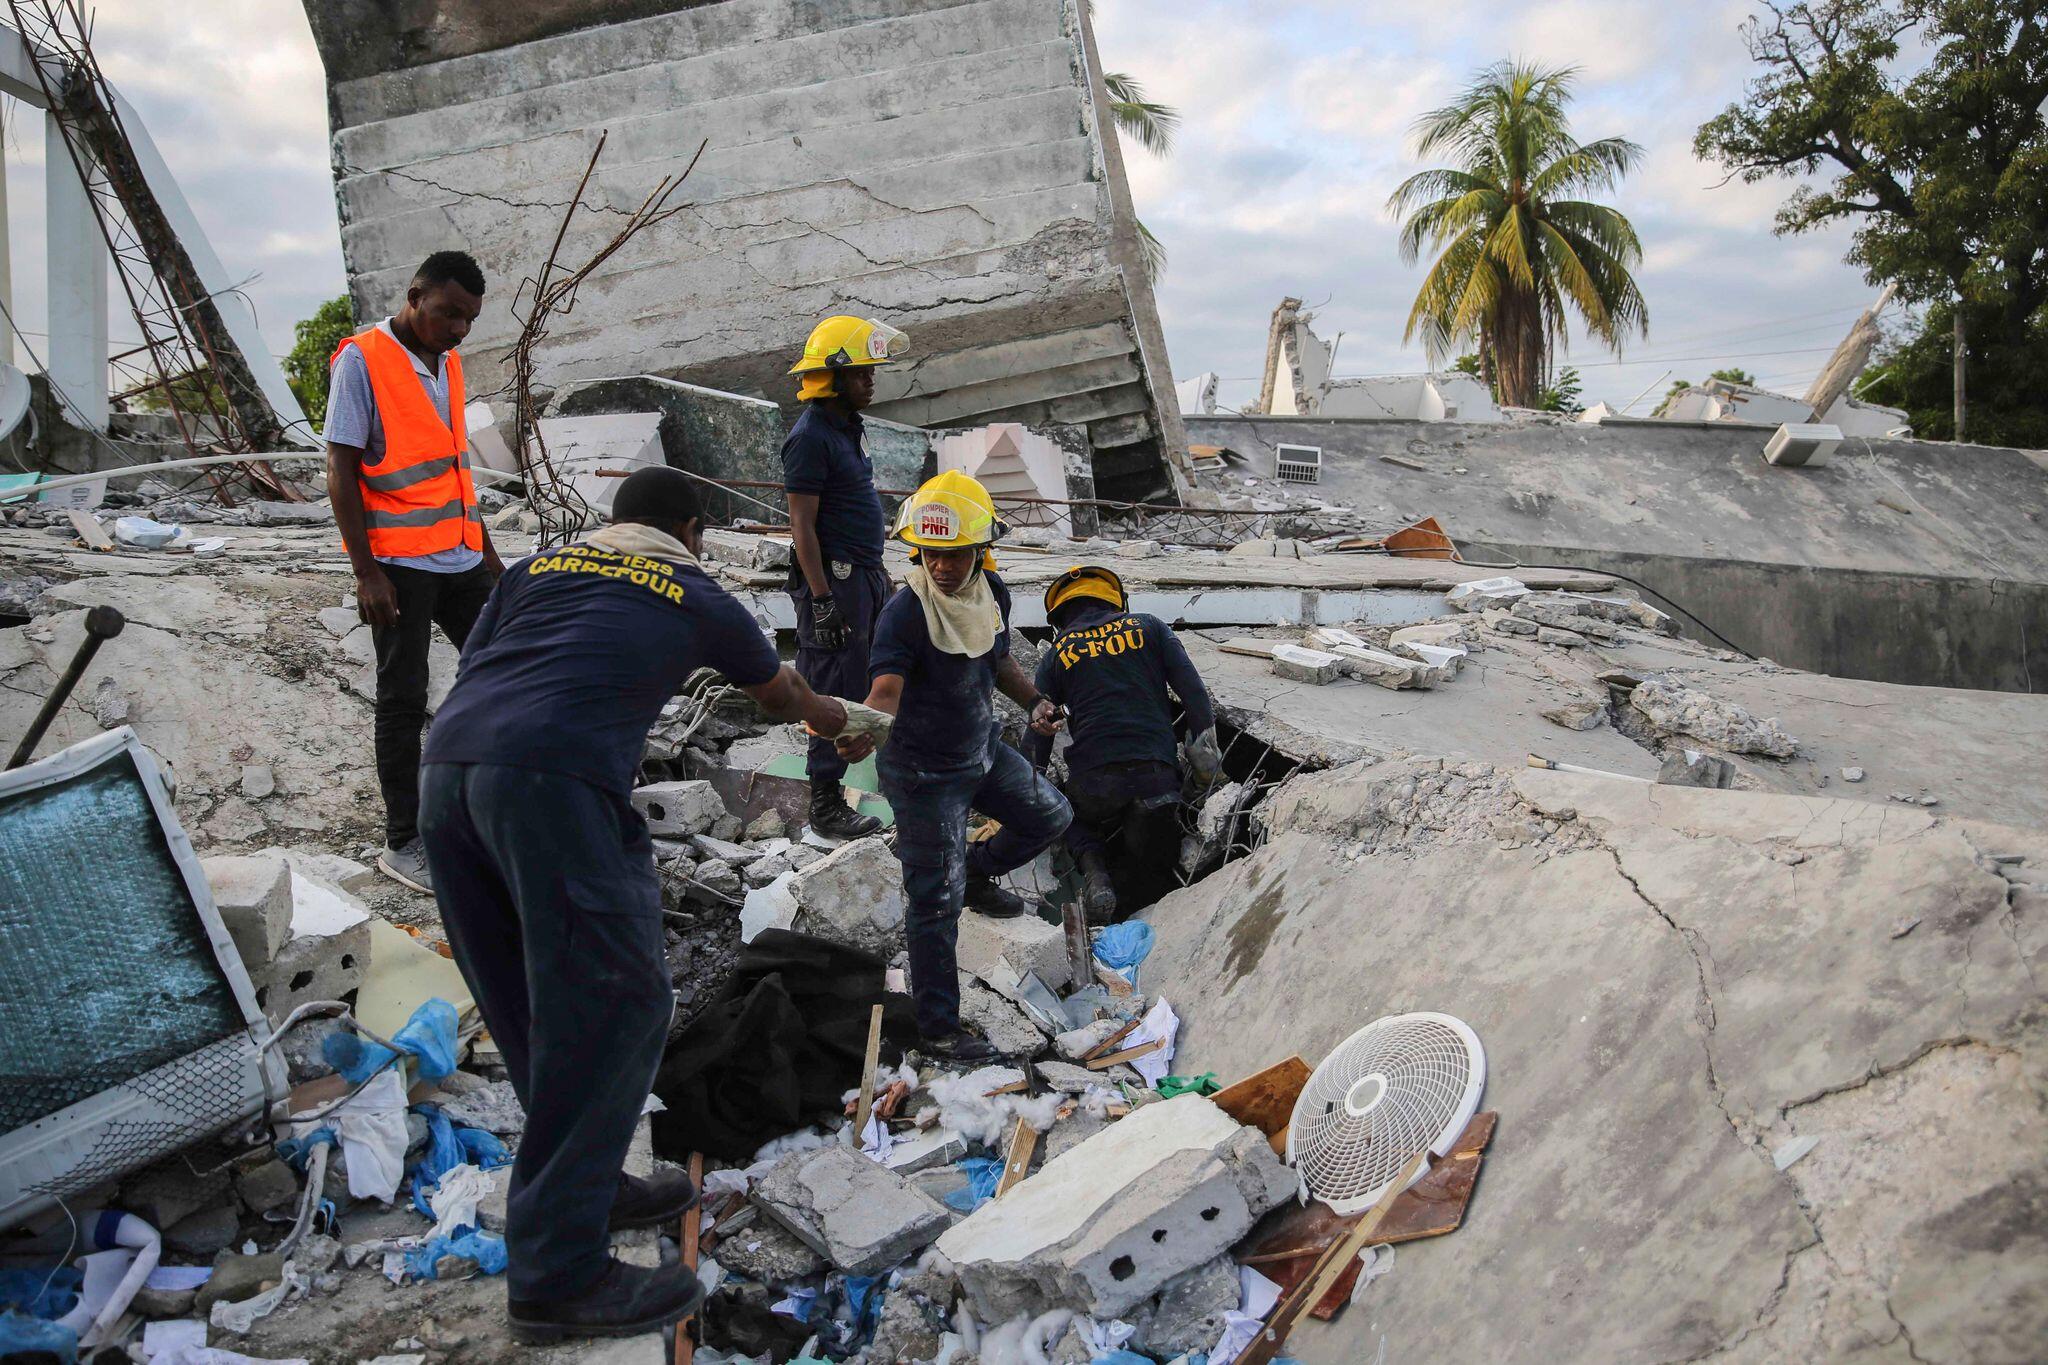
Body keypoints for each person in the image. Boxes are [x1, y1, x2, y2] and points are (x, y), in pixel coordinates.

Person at [417, 466, 854, 1342]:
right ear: (692, 529)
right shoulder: (697, 592)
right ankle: (557, 1275)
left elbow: (484, 666)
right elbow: (780, 693)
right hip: (554, 782)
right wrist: (840, 719)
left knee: (530, 1000)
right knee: (619, 1003)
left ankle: (588, 1184)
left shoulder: (532, 571)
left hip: (446, 774)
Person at [836, 472, 1073, 1062]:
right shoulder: (905, 613)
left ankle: (977, 873)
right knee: (934, 903)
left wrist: (1036, 702)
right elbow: (885, 689)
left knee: (1051, 816)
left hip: (982, 751)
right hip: (922, 776)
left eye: (955, 554)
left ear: (979, 550)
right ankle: (939, 1030)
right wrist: (865, 731)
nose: (942, 567)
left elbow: (997, 661)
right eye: (931, 554)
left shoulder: (989, 591)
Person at [325, 249, 504, 895]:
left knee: (507, 670)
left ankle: (488, 804)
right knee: (403, 696)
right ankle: (405, 842)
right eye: (448, 312)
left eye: (469, 320)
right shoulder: (362, 360)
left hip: (460, 554)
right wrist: (366, 573)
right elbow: (341, 468)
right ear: (414, 293)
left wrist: (491, 558)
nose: (458, 328)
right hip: (398, 564)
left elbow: (455, 470)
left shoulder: (449, 364)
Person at [1024, 566, 1221, 922]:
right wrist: (1206, 767)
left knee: (1068, 813)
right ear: (1118, 603)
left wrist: (1033, 787)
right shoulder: (1150, 626)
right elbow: (1195, 696)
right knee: (1152, 863)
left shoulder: (1056, 654)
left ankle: (1094, 870)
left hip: (1095, 782)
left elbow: (1038, 729)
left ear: (1059, 619)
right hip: (1156, 774)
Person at [781, 314, 908, 842]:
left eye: (871, 372)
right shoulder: (809, 437)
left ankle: (889, 783)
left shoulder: (847, 429)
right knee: (830, 685)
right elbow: (801, 526)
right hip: (835, 583)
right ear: (832, 378)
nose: (870, 381)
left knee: (868, 680)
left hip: (864, 577)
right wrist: (823, 599)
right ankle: (826, 804)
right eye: (860, 374)